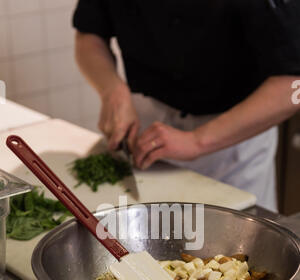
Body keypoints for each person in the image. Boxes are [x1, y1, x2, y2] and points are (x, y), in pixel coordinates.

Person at [73, 0, 300, 211]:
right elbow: (89, 35)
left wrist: (197, 140)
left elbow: (293, 84)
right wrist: (112, 91)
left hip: (234, 143)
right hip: (144, 131)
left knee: (235, 250)